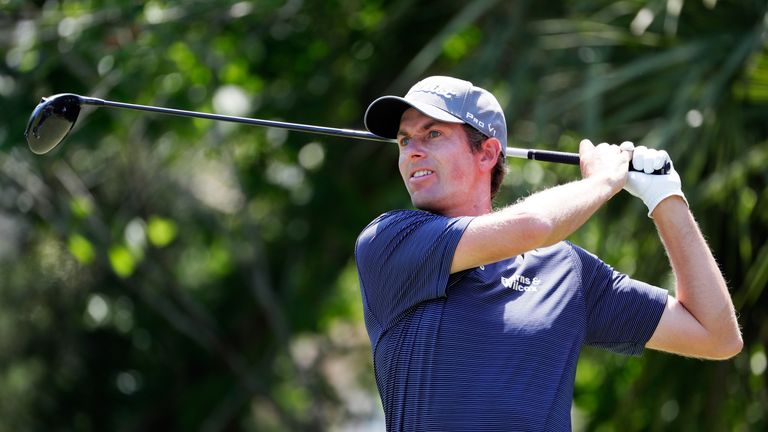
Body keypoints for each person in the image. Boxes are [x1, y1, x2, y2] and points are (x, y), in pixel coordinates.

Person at [354, 76, 742, 431]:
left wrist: (666, 198)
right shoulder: (390, 240)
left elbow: (717, 335)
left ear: (488, 153)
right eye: (405, 140)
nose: (412, 152)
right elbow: (533, 226)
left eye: (432, 133)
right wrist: (607, 179)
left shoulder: (567, 271)